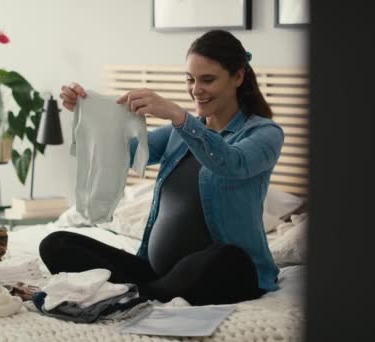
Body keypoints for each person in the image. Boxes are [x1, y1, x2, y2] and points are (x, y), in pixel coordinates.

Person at [39, 30, 284, 306]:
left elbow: (230, 163)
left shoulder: (265, 134)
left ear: (238, 77)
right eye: (190, 80)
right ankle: (147, 292)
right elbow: (123, 154)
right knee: (56, 244)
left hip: (225, 272)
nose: (195, 89)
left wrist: (179, 116)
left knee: (225, 258)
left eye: (208, 80)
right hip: (157, 273)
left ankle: (133, 294)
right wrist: (87, 110)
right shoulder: (179, 133)